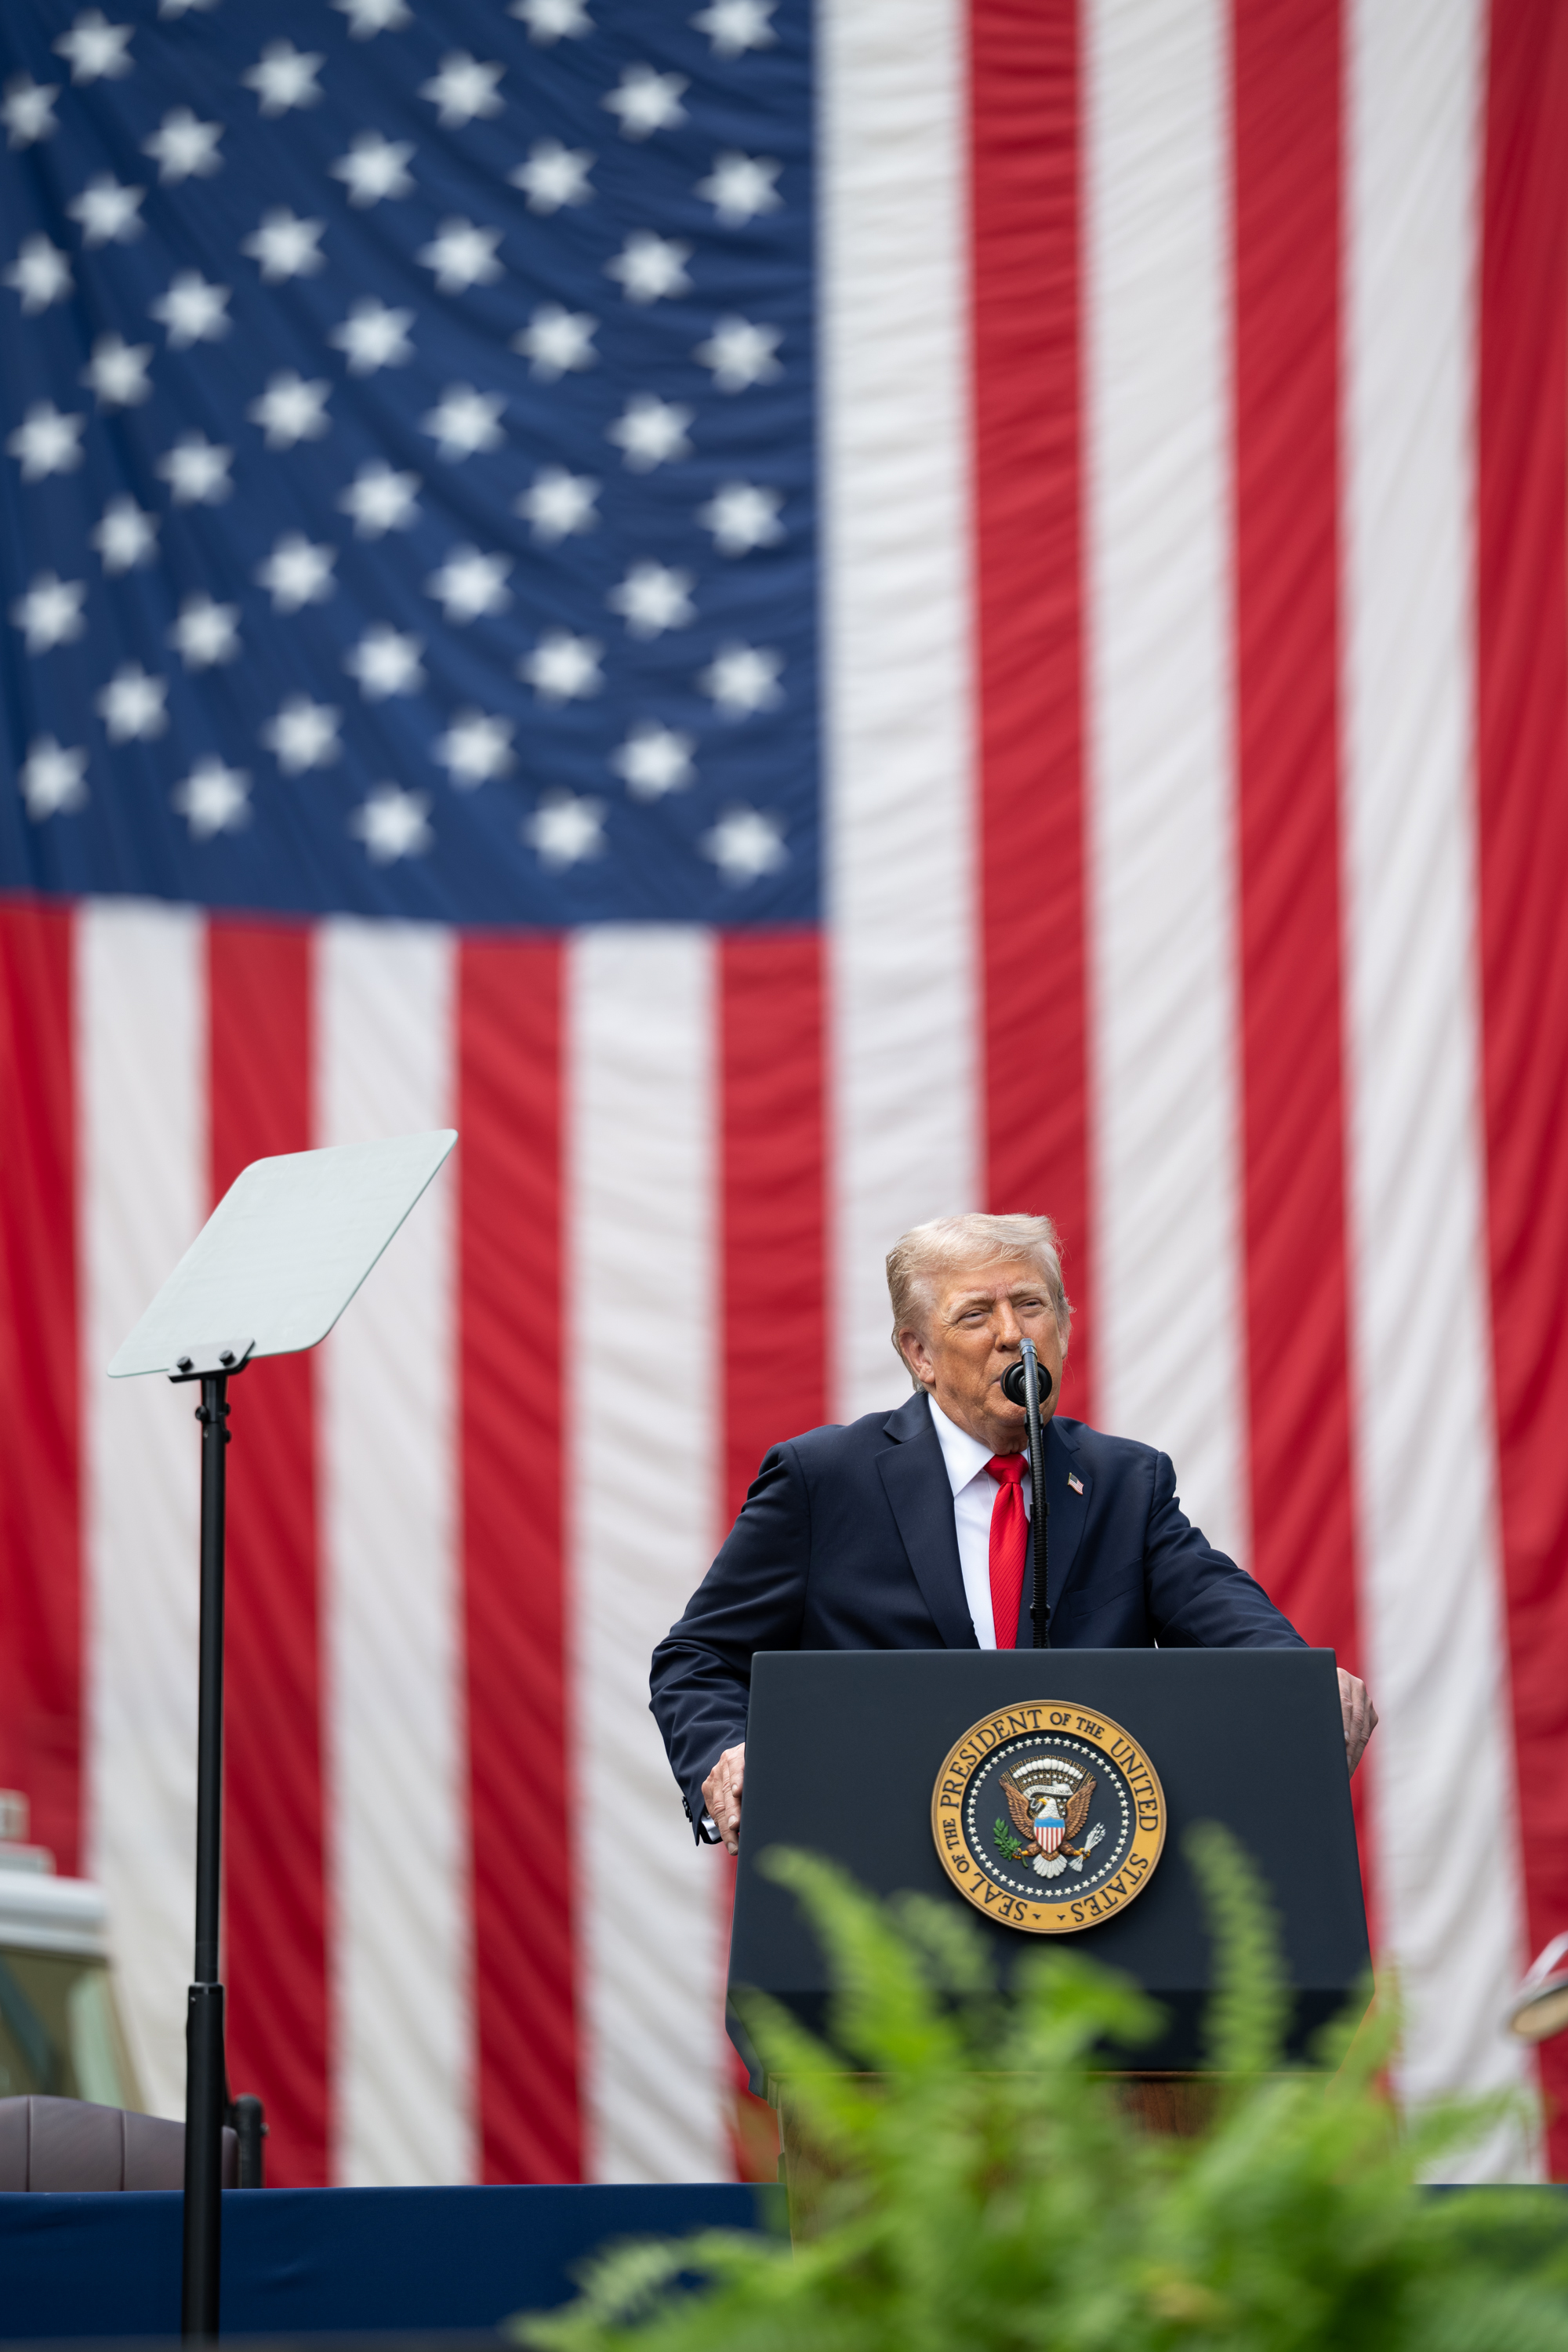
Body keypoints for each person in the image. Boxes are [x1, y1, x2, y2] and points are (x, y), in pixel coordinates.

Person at [650, 1211, 1377, 1853]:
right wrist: (731, 1752)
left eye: (1031, 1305)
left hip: (1080, 1887)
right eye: (976, 1315)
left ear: (1061, 1326)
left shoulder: (1126, 1482)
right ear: (919, 1355)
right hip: (877, 1880)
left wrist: (1302, 1683)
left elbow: (1231, 1623)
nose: (1012, 1334)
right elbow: (697, 1657)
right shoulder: (825, 1479)